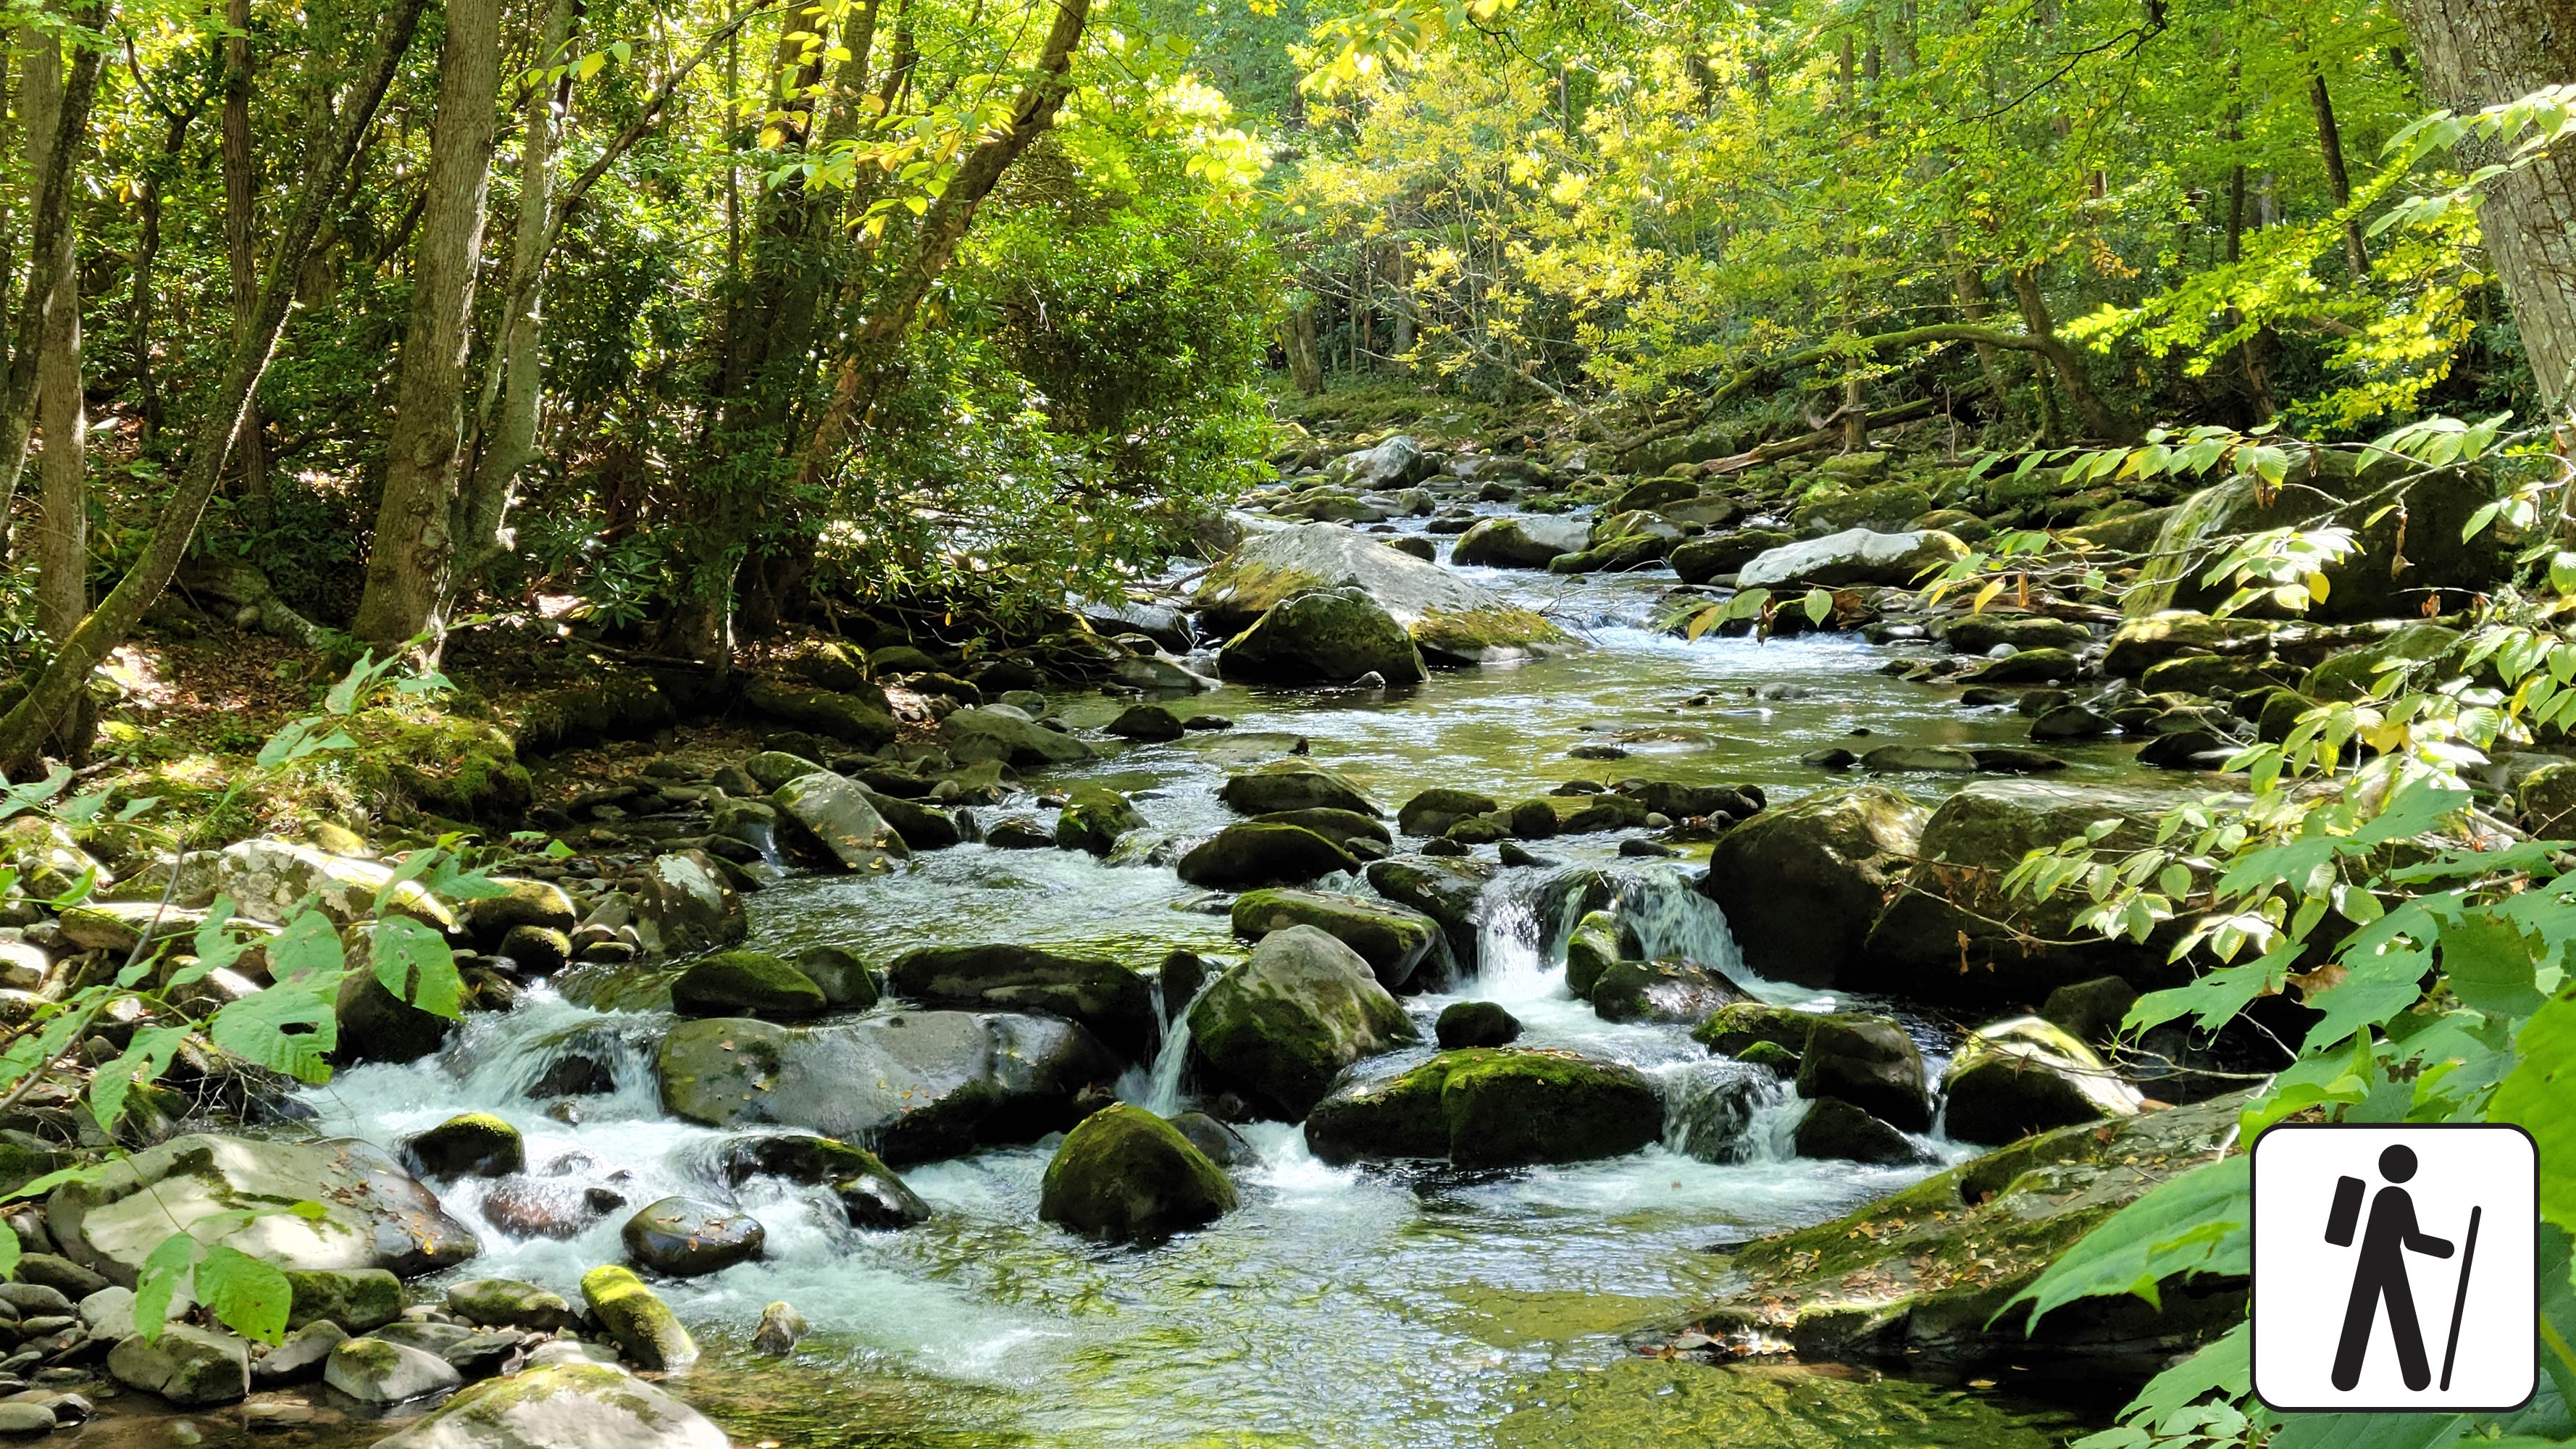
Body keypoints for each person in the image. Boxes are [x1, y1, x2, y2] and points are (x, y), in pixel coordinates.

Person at [2331, 1143, 2456, 1391]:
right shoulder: (2396, 1196)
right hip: (2385, 1262)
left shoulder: (2355, 1183)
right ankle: (2416, 1378)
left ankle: (2345, 1377)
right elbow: (2413, 1240)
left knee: (2363, 1315)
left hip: (2372, 1261)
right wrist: (2446, 1248)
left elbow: (2338, 1235)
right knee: (2400, 1317)